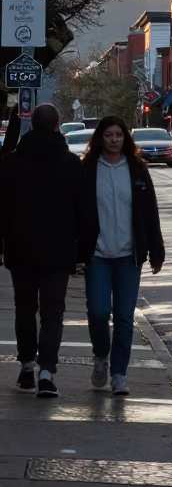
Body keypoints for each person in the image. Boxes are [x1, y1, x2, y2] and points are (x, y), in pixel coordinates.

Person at [0, 102, 96, 398]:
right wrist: (84, 253)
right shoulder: (70, 163)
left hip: (21, 248)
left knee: (24, 308)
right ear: (58, 126)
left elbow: (1, 209)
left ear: (31, 126)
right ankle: (46, 371)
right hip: (59, 249)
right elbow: (85, 212)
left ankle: (27, 363)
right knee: (53, 311)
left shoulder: (12, 163)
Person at [81, 116, 164, 396]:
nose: (114, 140)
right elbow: (76, 212)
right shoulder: (89, 169)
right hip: (98, 255)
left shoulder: (138, 170)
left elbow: (150, 213)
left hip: (130, 255)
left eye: (119, 135)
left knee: (125, 317)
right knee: (98, 311)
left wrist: (156, 250)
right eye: (109, 135)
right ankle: (101, 355)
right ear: (99, 139)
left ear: (125, 139)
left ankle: (119, 374)